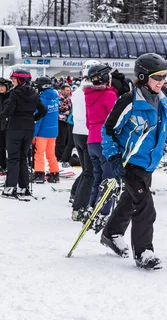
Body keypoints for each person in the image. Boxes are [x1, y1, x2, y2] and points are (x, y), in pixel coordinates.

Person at [101, 53, 167, 270]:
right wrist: (113, 157)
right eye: (157, 77)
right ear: (143, 76)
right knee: (145, 205)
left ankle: (111, 233)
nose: (162, 81)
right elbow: (108, 130)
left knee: (131, 201)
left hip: (149, 161)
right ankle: (144, 252)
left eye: (164, 77)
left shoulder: (164, 99)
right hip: (130, 162)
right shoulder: (129, 101)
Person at [0, 68, 47, 197]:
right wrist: (33, 118)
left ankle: (10, 187)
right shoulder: (35, 93)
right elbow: (43, 110)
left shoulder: (15, 93)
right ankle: (23, 187)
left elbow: (9, 110)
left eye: (14, 80)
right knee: (23, 158)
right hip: (28, 128)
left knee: (13, 158)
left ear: (20, 81)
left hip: (15, 128)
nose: (13, 83)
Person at [84, 64, 117, 221]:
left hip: (92, 141)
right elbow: (116, 120)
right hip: (106, 143)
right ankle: (103, 213)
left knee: (98, 178)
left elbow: (88, 122)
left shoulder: (88, 95)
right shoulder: (109, 96)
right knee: (109, 180)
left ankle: (92, 207)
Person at [71, 60, 100, 221]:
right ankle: (79, 207)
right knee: (90, 173)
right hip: (88, 132)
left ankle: (76, 196)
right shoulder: (91, 91)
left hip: (78, 132)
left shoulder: (77, 91)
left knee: (87, 171)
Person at [32, 76, 60, 184]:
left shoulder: (41, 100)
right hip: (53, 131)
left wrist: (34, 133)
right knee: (51, 153)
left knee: (39, 153)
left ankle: (39, 174)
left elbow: (38, 119)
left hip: (42, 132)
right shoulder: (55, 98)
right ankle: (54, 173)